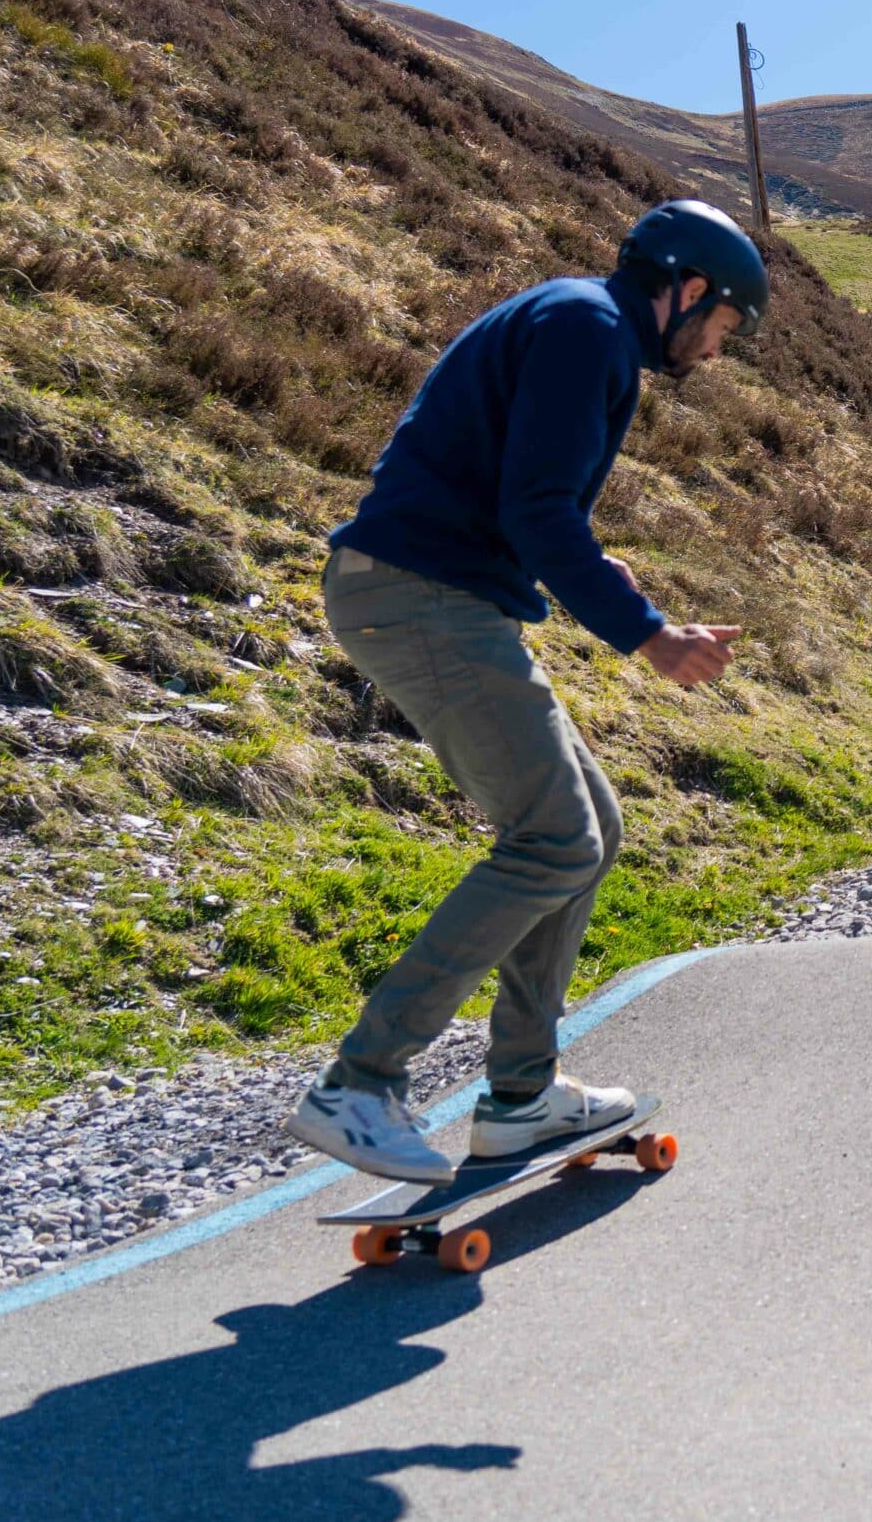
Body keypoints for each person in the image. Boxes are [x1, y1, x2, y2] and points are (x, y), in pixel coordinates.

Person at [284, 200, 767, 1182]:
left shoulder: (584, 326)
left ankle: (521, 1097)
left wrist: (603, 572)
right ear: (686, 287)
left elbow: (522, 501)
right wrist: (648, 639)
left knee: (590, 826)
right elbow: (537, 508)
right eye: (724, 324)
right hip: (421, 599)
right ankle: (360, 1084)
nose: (719, 349)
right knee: (552, 837)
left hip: (440, 594)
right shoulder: (588, 326)